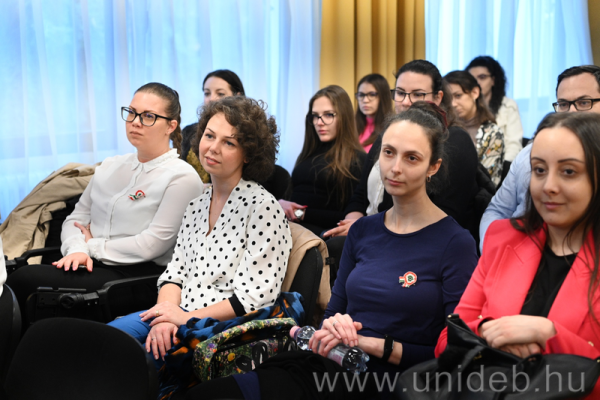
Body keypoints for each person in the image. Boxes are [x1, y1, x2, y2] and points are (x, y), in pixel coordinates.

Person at [186, 101, 479, 400]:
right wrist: (336, 326)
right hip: (333, 365)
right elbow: (331, 316)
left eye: (412, 158)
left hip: (395, 382)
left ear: (433, 167)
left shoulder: (455, 243)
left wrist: (374, 345)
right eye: (388, 152)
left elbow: (458, 354)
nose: (395, 167)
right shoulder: (363, 231)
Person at [109, 96, 292, 368]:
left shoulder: (263, 207)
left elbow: (253, 299)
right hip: (177, 314)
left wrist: (183, 319)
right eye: (209, 136)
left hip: (221, 330)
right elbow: (175, 273)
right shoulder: (196, 204)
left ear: (248, 154)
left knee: (126, 363)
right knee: (103, 339)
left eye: (229, 143)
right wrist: (165, 316)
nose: (213, 148)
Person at [436, 111, 600, 398]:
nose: (548, 186)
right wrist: (491, 333)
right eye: (539, 170)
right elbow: (446, 342)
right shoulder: (504, 239)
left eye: (568, 171)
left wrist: (548, 334)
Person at [7, 83, 203, 321]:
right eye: (131, 112)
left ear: (170, 126)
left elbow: (152, 244)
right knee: (17, 276)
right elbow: (75, 219)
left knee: (24, 281)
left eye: (148, 116)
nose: (135, 122)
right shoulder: (111, 165)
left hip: (137, 277)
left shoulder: (181, 177)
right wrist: (77, 249)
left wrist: (91, 246)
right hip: (91, 264)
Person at [325, 60, 479, 239]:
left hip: (417, 239)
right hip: (369, 231)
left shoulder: (455, 140)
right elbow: (359, 196)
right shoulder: (387, 135)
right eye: (400, 93)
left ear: (438, 98)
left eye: (417, 94)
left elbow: (446, 215)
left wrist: (364, 228)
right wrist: (352, 223)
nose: (406, 102)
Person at [479, 65, 600, 251]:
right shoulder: (530, 153)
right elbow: (498, 210)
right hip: (515, 252)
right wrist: (494, 251)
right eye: (563, 104)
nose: (571, 113)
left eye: (584, 102)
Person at [278, 85, 366, 236]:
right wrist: (281, 204)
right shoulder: (307, 154)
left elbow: (347, 220)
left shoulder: (357, 160)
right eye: (315, 116)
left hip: (319, 237)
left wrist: (301, 214)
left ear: (344, 117)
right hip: (286, 229)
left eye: (328, 115)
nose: (319, 122)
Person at [181, 69, 246, 182]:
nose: (211, 99)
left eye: (220, 94)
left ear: (237, 96)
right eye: (207, 93)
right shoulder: (188, 131)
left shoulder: (245, 132)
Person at [444, 70, 505, 185]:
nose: (453, 104)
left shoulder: (492, 133)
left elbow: (488, 182)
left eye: (458, 96)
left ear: (475, 93)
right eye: (448, 99)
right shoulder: (444, 129)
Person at [466, 55, 524, 162]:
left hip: (501, 165)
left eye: (482, 77)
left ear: (493, 80)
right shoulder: (463, 107)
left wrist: (500, 168)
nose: (476, 82)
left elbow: (513, 146)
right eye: (472, 79)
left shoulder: (508, 105)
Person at [354, 73, 393, 152]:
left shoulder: (392, 128)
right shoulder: (352, 125)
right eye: (361, 95)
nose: (365, 100)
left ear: (383, 97)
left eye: (372, 95)